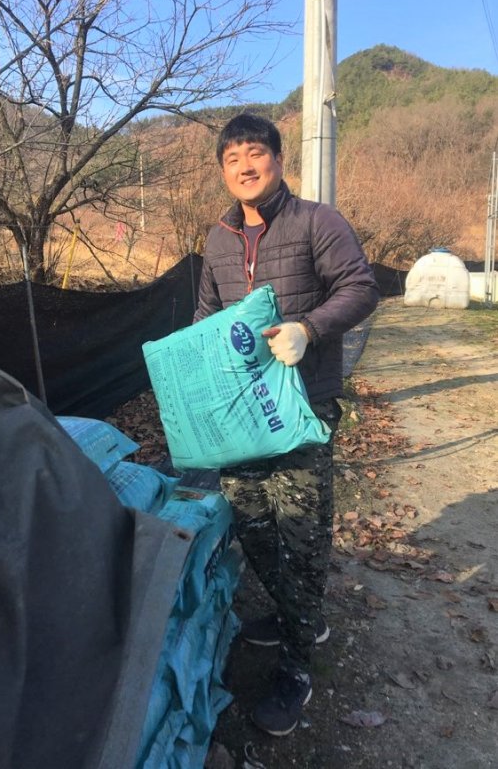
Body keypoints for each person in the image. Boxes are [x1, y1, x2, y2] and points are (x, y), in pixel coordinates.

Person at [193, 113, 380, 737]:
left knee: (301, 535)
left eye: (256, 154)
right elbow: (207, 316)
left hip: (302, 410)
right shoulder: (218, 240)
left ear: (277, 159)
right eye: (233, 159)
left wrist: (310, 328)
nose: (245, 167)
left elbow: (361, 287)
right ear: (223, 171)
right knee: (252, 524)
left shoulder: (316, 222)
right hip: (242, 417)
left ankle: (299, 663)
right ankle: (297, 611)